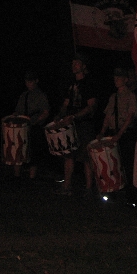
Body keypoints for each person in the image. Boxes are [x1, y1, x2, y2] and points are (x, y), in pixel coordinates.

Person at [53, 53, 98, 196]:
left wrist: (74, 116)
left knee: (86, 157)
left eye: (77, 63)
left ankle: (89, 188)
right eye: (73, 63)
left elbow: (91, 106)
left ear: (84, 66)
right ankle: (66, 187)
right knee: (68, 155)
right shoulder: (72, 83)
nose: (74, 65)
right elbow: (66, 103)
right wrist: (60, 116)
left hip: (84, 124)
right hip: (71, 124)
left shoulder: (89, 82)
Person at [97, 67, 137, 204]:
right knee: (112, 163)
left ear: (126, 80)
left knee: (127, 165)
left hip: (125, 134)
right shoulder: (113, 97)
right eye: (115, 77)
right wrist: (102, 132)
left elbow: (130, 117)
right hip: (113, 132)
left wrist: (119, 134)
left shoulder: (130, 96)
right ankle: (113, 191)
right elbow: (108, 116)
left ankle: (130, 196)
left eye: (119, 77)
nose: (116, 80)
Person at [13, 70, 50, 180]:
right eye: (27, 81)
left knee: (34, 152)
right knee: (18, 149)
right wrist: (15, 116)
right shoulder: (24, 95)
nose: (28, 83)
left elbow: (46, 112)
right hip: (22, 127)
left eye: (30, 81)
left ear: (36, 81)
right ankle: (16, 176)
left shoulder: (41, 95)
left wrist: (36, 120)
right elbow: (18, 111)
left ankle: (32, 177)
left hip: (34, 127)